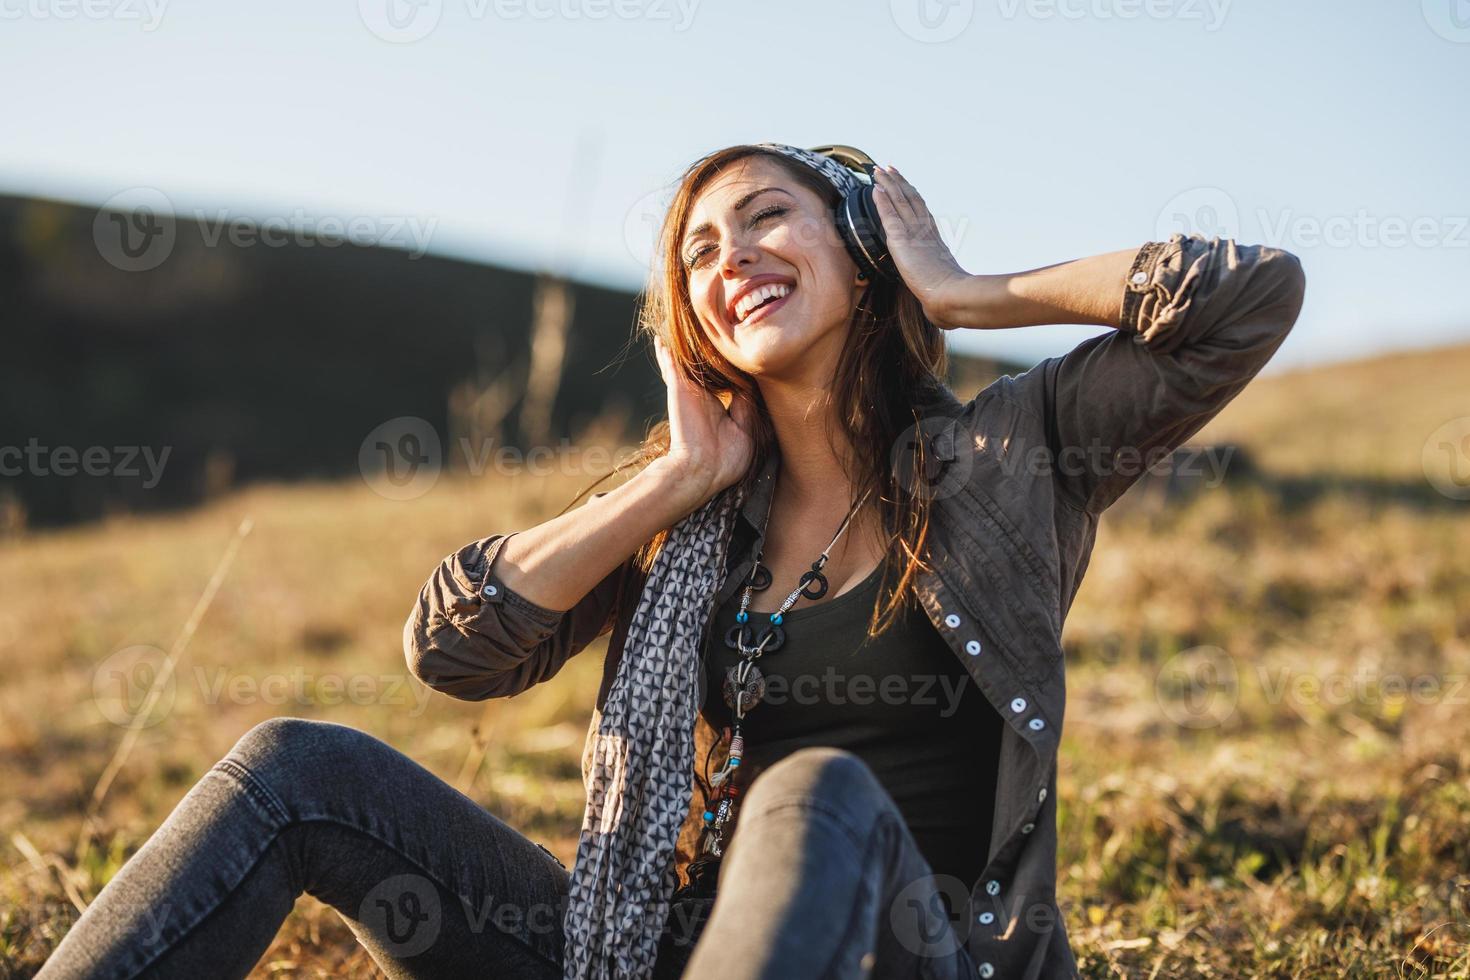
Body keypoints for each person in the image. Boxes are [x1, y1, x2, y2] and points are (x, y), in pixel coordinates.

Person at [38, 143, 1305, 980]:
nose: (729, 256)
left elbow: (1245, 299)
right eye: (699, 250)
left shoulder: (1006, 449)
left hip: (916, 951)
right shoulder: (695, 513)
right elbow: (453, 651)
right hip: (640, 948)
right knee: (297, 770)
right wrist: (671, 479)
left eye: (768, 219)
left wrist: (966, 294)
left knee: (814, 794)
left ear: (864, 258)